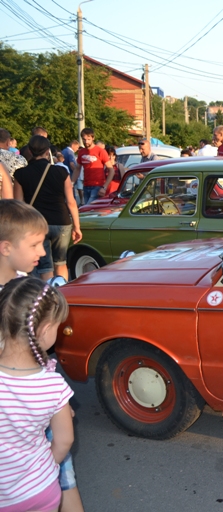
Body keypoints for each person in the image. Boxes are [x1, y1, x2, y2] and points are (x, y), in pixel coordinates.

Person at [0, 277, 74, 512]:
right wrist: (44, 469)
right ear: (43, 330)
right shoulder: (54, 385)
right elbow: (64, 440)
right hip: (41, 491)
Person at [14, 136, 82, 281]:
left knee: (45, 266)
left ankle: (48, 298)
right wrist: (77, 226)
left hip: (36, 223)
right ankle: (62, 292)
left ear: (30, 152)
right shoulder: (61, 172)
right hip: (61, 222)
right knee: (61, 263)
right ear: (47, 152)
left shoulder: (20, 174)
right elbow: (71, 202)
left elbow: (18, 205)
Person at [77, 127, 114, 204]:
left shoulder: (100, 151)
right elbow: (77, 169)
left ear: (93, 138)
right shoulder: (81, 152)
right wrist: (72, 183)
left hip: (97, 186)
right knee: (88, 212)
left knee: (88, 208)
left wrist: (104, 187)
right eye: (84, 139)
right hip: (86, 185)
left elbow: (111, 170)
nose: (86, 141)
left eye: (88, 139)